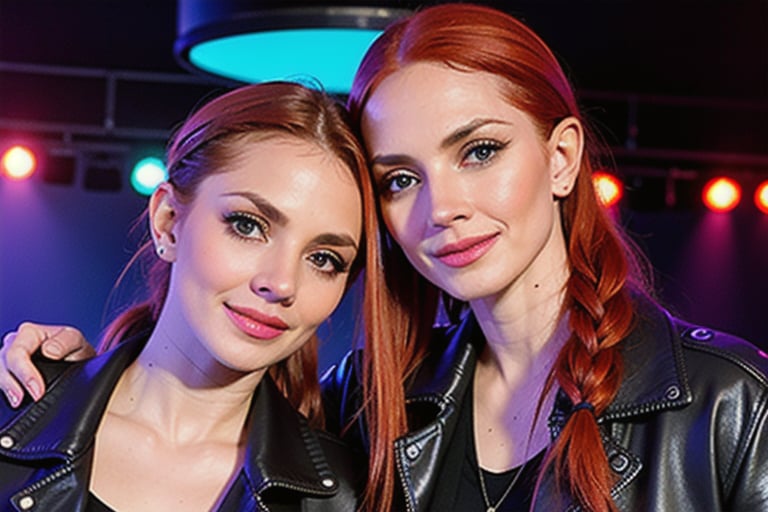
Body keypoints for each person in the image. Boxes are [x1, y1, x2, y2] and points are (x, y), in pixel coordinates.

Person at [3, 4, 768, 512]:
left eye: (479, 150)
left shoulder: (731, 404)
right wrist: (66, 377)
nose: (443, 207)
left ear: (563, 157)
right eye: (401, 178)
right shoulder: (367, 411)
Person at [0, 81, 373, 511]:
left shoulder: (343, 499)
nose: (281, 283)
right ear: (168, 220)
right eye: (248, 225)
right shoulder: (16, 412)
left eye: (324, 259)